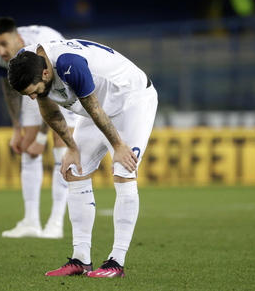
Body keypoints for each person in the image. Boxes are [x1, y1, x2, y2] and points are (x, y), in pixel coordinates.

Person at [8, 39, 158, 277]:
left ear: (46, 73)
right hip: (96, 108)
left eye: (34, 91)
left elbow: (95, 107)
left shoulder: (70, 64)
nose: (34, 98)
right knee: (73, 170)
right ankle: (81, 259)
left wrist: (118, 146)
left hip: (131, 101)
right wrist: (72, 147)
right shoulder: (28, 62)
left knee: (123, 168)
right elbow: (49, 109)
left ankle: (116, 262)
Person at [0, 17, 77, 239]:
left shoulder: (41, 49)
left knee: (61, 145)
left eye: (4, 44)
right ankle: (31, 221)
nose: (0, 50)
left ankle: (56, 223)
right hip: (34, 86)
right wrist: (16, 128)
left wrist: (41, 136)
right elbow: (10, 88)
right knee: (27, 148)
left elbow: (51, 91)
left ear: (17, 39)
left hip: (63, 84)